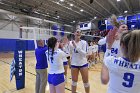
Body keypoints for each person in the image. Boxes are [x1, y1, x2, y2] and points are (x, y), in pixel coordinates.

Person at [69, 28, 90, 93]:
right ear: (74, 33)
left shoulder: (84, 42)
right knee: (74, 82)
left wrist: (76, 46)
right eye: (77, 32)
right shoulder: (70, 43)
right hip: (74, 64)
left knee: (86, 82)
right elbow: (69, 53)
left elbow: (84, 54)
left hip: (83, 64)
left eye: (80, 32)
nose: (78, 33)